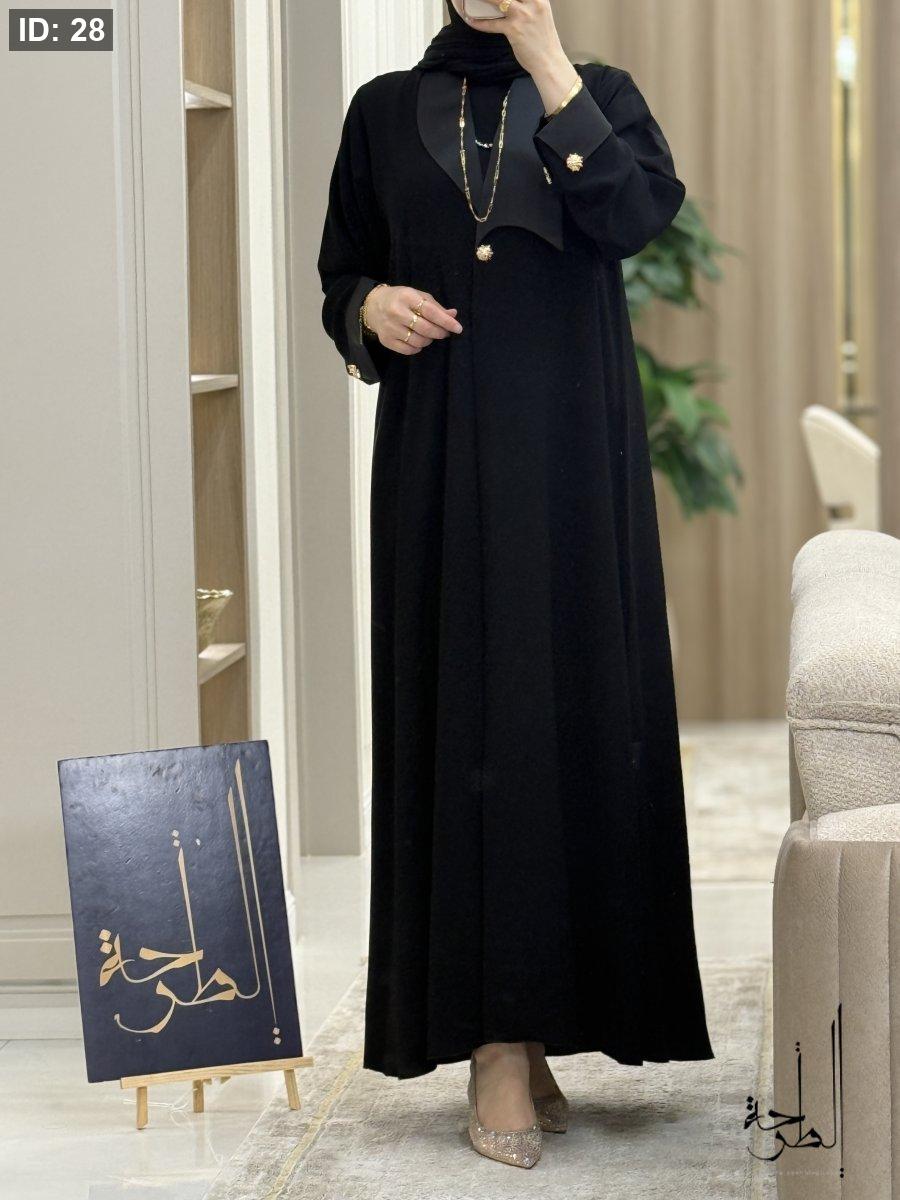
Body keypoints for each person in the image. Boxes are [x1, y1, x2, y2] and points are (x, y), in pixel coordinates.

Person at [318, 0, 713, 1170]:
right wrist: (367, 308)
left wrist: (545, 58)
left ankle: (542, 1021)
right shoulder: (381, 111)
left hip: (572, 464)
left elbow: (634, 216)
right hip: (440, 462)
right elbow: (344, 270)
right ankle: (493, 1038)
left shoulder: (598, 92)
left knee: (568, 722)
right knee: (471, 723)